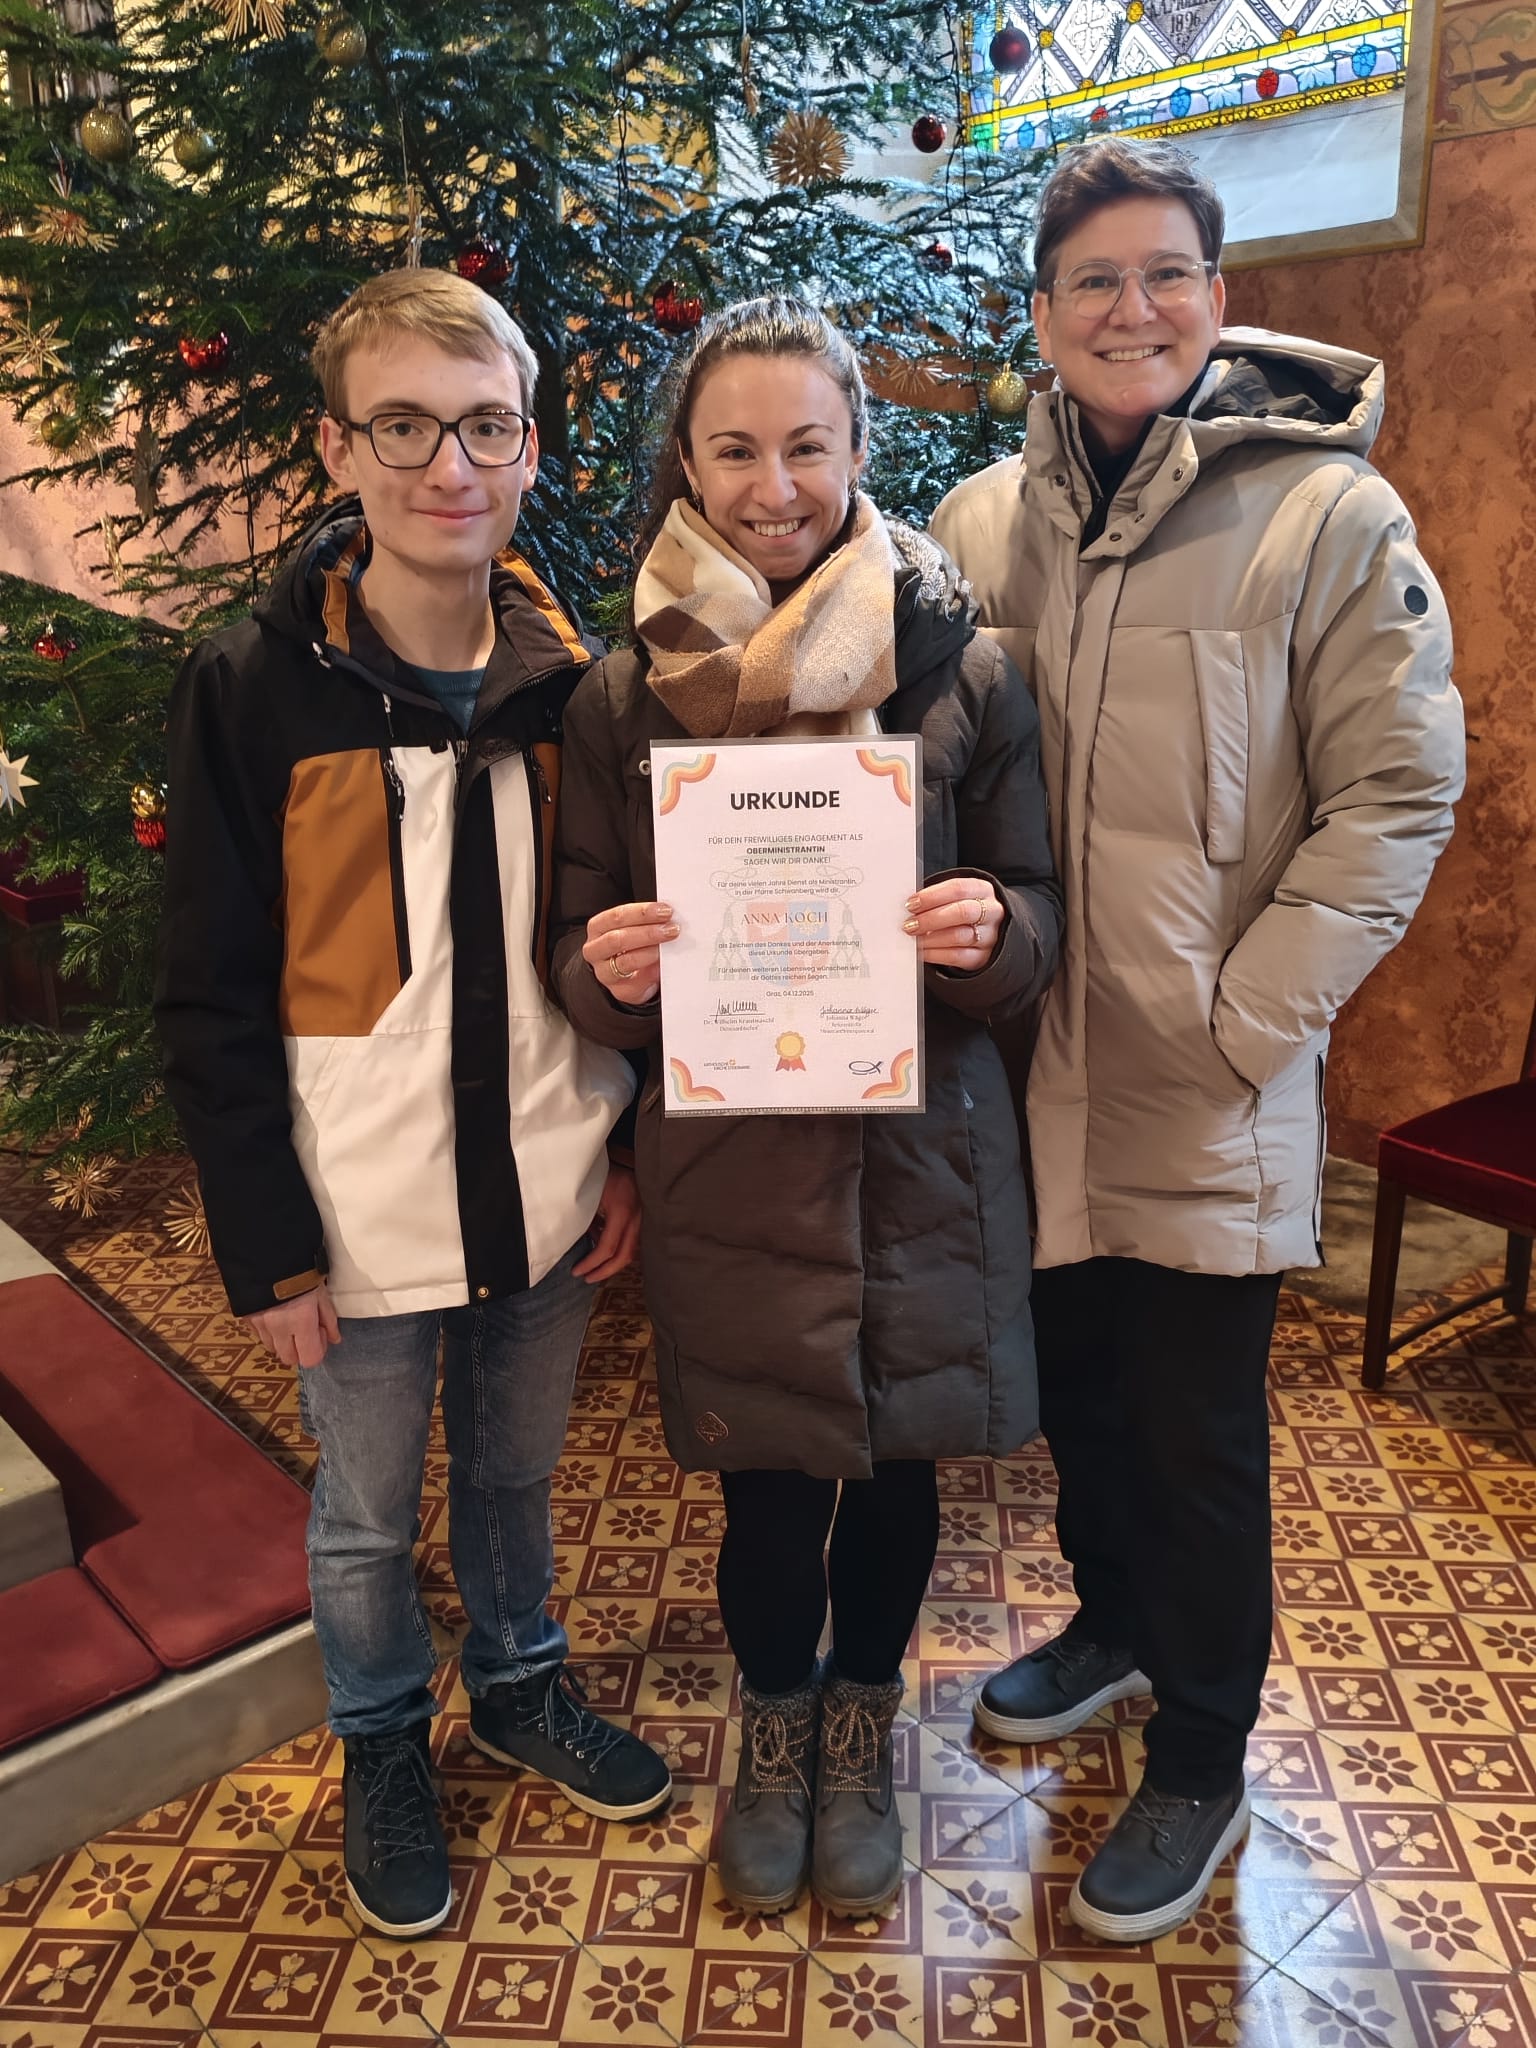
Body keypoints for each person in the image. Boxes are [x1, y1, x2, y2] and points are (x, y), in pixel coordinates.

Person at [931, 137, 1465, 1942]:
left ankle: (1204, 1755)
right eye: (1093, 278)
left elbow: (1397, 794)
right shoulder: (974, 527)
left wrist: (1253, 1025)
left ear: (1219, 300)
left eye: (1166, 272)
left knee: (1198, 1437)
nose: (1131, 307)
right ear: (1043, 313)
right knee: (1078, 1402)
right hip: (1029, 1071)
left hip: (1207, 1079)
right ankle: (1114, 1627)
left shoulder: (1329, 518)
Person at [154, 268, 671, 1942]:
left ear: (530, 449)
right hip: (352, 1208)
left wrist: (624, 1152)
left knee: (516, 1476)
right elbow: (213, 988)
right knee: (368, 1515)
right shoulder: (256, 688)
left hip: (545, 1179)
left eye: (485, 427)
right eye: (403, 427)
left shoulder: (581, 690)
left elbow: (618, 949)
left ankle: (520, 1681)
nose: (449, 466)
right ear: (337, 448)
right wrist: (264, 1240)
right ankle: (383, 1734)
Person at [550, 295, 1061, 1918]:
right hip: (732, 1159)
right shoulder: (622, 696)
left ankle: (861, 1725)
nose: (774, 487)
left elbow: (1039, 918)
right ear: (686, 466)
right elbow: (574, 943)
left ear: (858, 448)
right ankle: (776, 1729)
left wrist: (992, 930)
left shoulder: (967, 671)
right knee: (767, 1482)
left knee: (900, 1470)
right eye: (736, 450)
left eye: (807, 446)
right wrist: (607, 969)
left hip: (924, 1153)